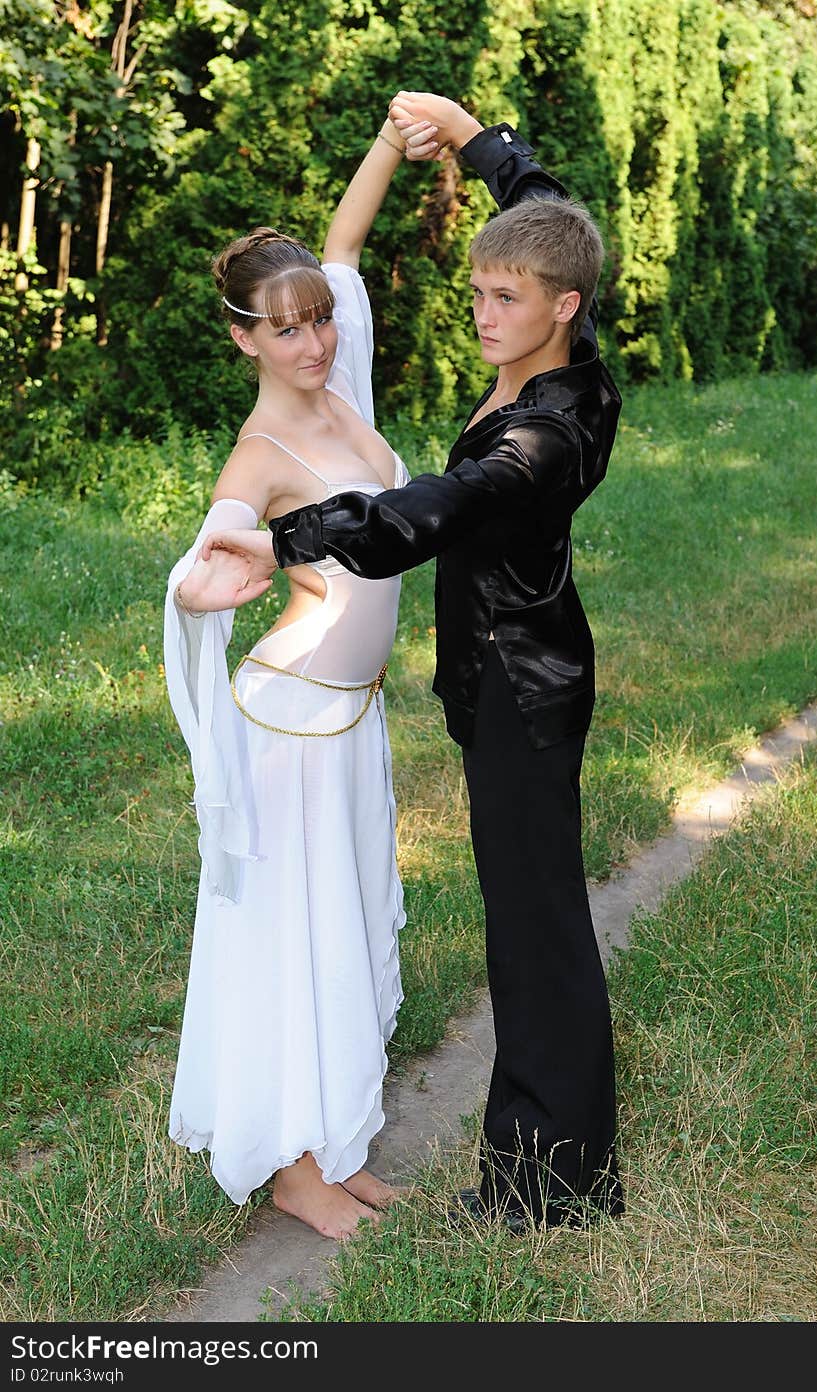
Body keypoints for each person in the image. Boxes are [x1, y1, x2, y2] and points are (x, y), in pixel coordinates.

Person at [203, 93, 625, 1230]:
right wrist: (469, 137)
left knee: (534, 930)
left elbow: (431, 507)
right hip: (446, 695)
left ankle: (544, 1182)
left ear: (563, 309)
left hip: (522, 700)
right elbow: (541, 207)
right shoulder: (559, 291)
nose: (481, 312)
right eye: (478, 290)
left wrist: (290, 537)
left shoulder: (549, 429)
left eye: (504, 299)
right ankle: (517, 1162)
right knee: (524, 921)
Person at [163, 111, 443, 1241]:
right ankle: (288, 1167)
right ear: (246, 341)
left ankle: (331, 1138)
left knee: (347, 918)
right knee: (292, 931)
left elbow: (344, 242)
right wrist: (199, 588)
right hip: (289, 726)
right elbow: (207, 556)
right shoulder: (260, 455)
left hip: (352, 719)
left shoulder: (346, 388)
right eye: (288, 332)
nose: (315, 343)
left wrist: (389, 140)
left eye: (321, 323)